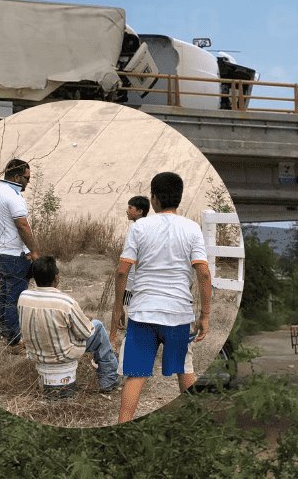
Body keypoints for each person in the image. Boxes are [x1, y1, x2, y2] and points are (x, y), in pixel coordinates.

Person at [110, 172, 212, 423]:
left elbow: (123, 270)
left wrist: (117, 310)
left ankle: (122, 426)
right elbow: (204, 274)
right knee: (185, 370)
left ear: (153, 199)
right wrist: (205, 315)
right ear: (179, 197)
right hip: (178, 314)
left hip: (143, 312)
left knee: (135, 375)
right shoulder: (192, 228)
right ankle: (197, 427)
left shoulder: (140, 227)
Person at [18, 256, 120, 398]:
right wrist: (85, 321)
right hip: (63, 354)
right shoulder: (65, 302)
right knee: (98, 327)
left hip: (35, 353)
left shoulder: (23, 297)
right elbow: (85, 332)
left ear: (34, 278)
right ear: (56, 277)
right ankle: (109, 380)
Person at [0, 158, 39, 347]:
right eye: (26, 178)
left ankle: (3, 333)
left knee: (5, 296)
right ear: (17, 177)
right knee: (15, 299)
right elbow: (22, 225)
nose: (28, 181)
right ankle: (14, 340)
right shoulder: (13, 196)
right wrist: (34, 251)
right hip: (13, 255)